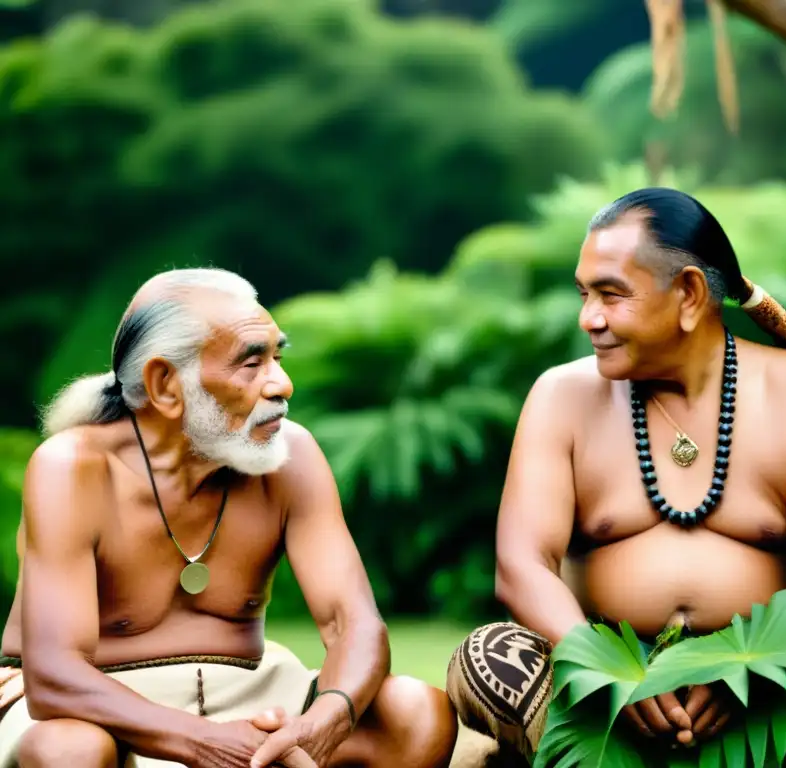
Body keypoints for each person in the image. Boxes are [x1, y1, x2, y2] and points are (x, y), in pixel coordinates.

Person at [445, 188, 786, 768]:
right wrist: (605, 669)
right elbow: (520, 566)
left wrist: (748, 667)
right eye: (583, 294)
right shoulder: (561, 396)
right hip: (606, 676)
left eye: (611, 295)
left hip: (774, 673)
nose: (588, 318)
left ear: (691, 294)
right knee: (489, 658)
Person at [0, 268, 458, 768]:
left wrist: (323, 721)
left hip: (253, 696)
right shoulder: (74, 468)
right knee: (69, 749)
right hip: (108, 709)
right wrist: (206, 743)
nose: (283, 384)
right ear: (165, 384)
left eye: (277, 357)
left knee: (416, 711)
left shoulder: (293, 455)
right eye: (251, 363)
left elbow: (355, 623)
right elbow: (56, 676)